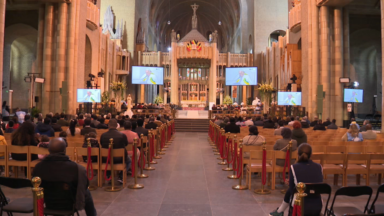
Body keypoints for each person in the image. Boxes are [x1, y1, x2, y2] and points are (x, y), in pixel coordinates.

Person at [32, 138, 96, 216]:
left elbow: (36, 186)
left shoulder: (38, 167)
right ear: (65, 150)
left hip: (48, 203)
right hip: (70, 204)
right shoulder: (78, 169)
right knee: (86, 192)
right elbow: (84, 185)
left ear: (49, 150)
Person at [269, 144, 323, 216]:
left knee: (295, 189)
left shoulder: (294, 167)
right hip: (317, 205)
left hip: (300, 205)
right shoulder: (319, 167)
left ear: (297, 154)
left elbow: (292, 191)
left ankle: (280, 211)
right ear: (311, 155)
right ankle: (279, 211)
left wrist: (291, 183)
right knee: (299, 187)